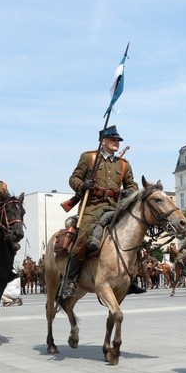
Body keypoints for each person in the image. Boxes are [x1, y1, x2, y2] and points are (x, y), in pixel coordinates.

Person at [59, 125, 141, 301]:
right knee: (82, 238)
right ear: (103, 141)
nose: (116, 143)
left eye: (118, 141)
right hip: (92, 206)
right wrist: (82, 186)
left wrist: (130, 192)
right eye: (113, 140)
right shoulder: (89, 158)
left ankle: (131, 277)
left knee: (136, 235)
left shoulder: (124, 164)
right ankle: (71, 281)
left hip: (115, 206)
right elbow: (74, 178)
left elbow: (132, 185)